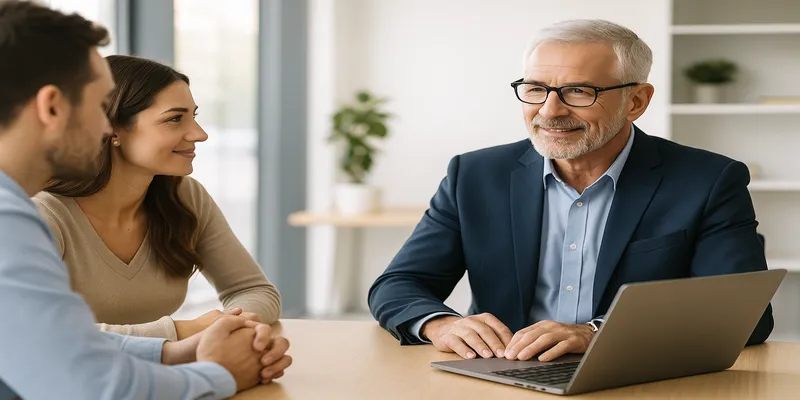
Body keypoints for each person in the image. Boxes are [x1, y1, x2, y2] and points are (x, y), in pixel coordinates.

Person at [368, 19, 773, 363]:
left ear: (636, 101)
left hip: (632, 375)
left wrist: (597, 333)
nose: (549, 111)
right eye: (535, 89)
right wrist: (440, 324)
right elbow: (398, 284)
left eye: (579, 91)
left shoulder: (708, 180)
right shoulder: (474, 175)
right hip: (501, 374)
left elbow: (745, 316)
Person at [0, 1, 290, 399]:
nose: (105, 126)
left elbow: (58, 343)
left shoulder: (12, 209)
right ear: (52, 107)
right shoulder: (12, 218)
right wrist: (220, 373)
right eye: (98, 106)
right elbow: (95, 387)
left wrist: (176, 351)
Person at [32, 54, 281, 341]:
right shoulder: (41, 215)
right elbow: (37, 332)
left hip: (160, 366)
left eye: (193, 117)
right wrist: (183, 331)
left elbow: (253, 290)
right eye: (174, 119)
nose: (199, 134)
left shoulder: (186, 196)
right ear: (110, 129)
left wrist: (227, 325)